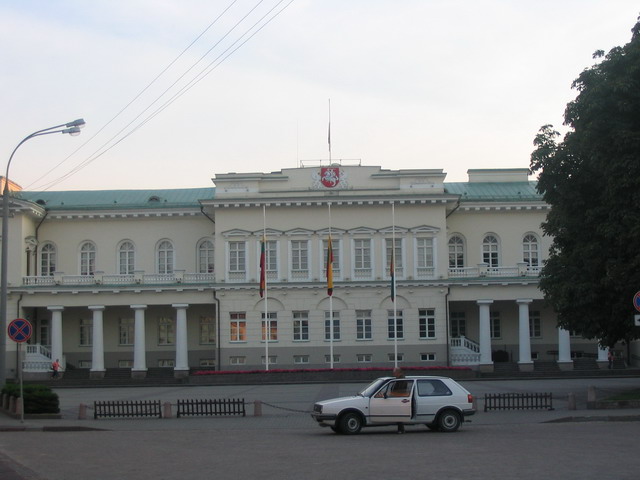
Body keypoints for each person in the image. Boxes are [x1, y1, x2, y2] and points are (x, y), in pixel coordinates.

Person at [393, 367, 406, 434]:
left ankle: (401, 429)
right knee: (398, 414)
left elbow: (400, 389)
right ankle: (400, 429)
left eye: (394, 373)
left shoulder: (401, 379)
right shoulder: (399, 379)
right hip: (398, 398)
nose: (393, 374)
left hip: (399, 398)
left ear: (398, 372)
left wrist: (394, 394)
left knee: (399, 414)